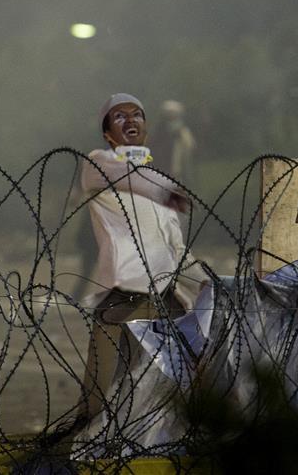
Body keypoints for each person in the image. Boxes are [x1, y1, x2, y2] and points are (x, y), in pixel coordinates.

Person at [78, 93, 206, 421]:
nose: (130, 120)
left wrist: (207, 281)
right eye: (119, 117)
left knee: (159, 399)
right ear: (107, 133)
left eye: (137, 115)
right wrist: (169, 191)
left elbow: (176, 248)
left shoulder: (159, 184)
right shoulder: (98, 164)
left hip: (165, 299)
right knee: (100, 398)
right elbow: (132, 176)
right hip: (123, 297)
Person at [152, 99, 196, 185]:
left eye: (173, 113)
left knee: (178, 175)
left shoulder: (182, 128)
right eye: (169, 113)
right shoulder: (160, 128)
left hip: (178, 158)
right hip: (164, 158)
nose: (171, 115)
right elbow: (156, 143)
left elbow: (189, 144)